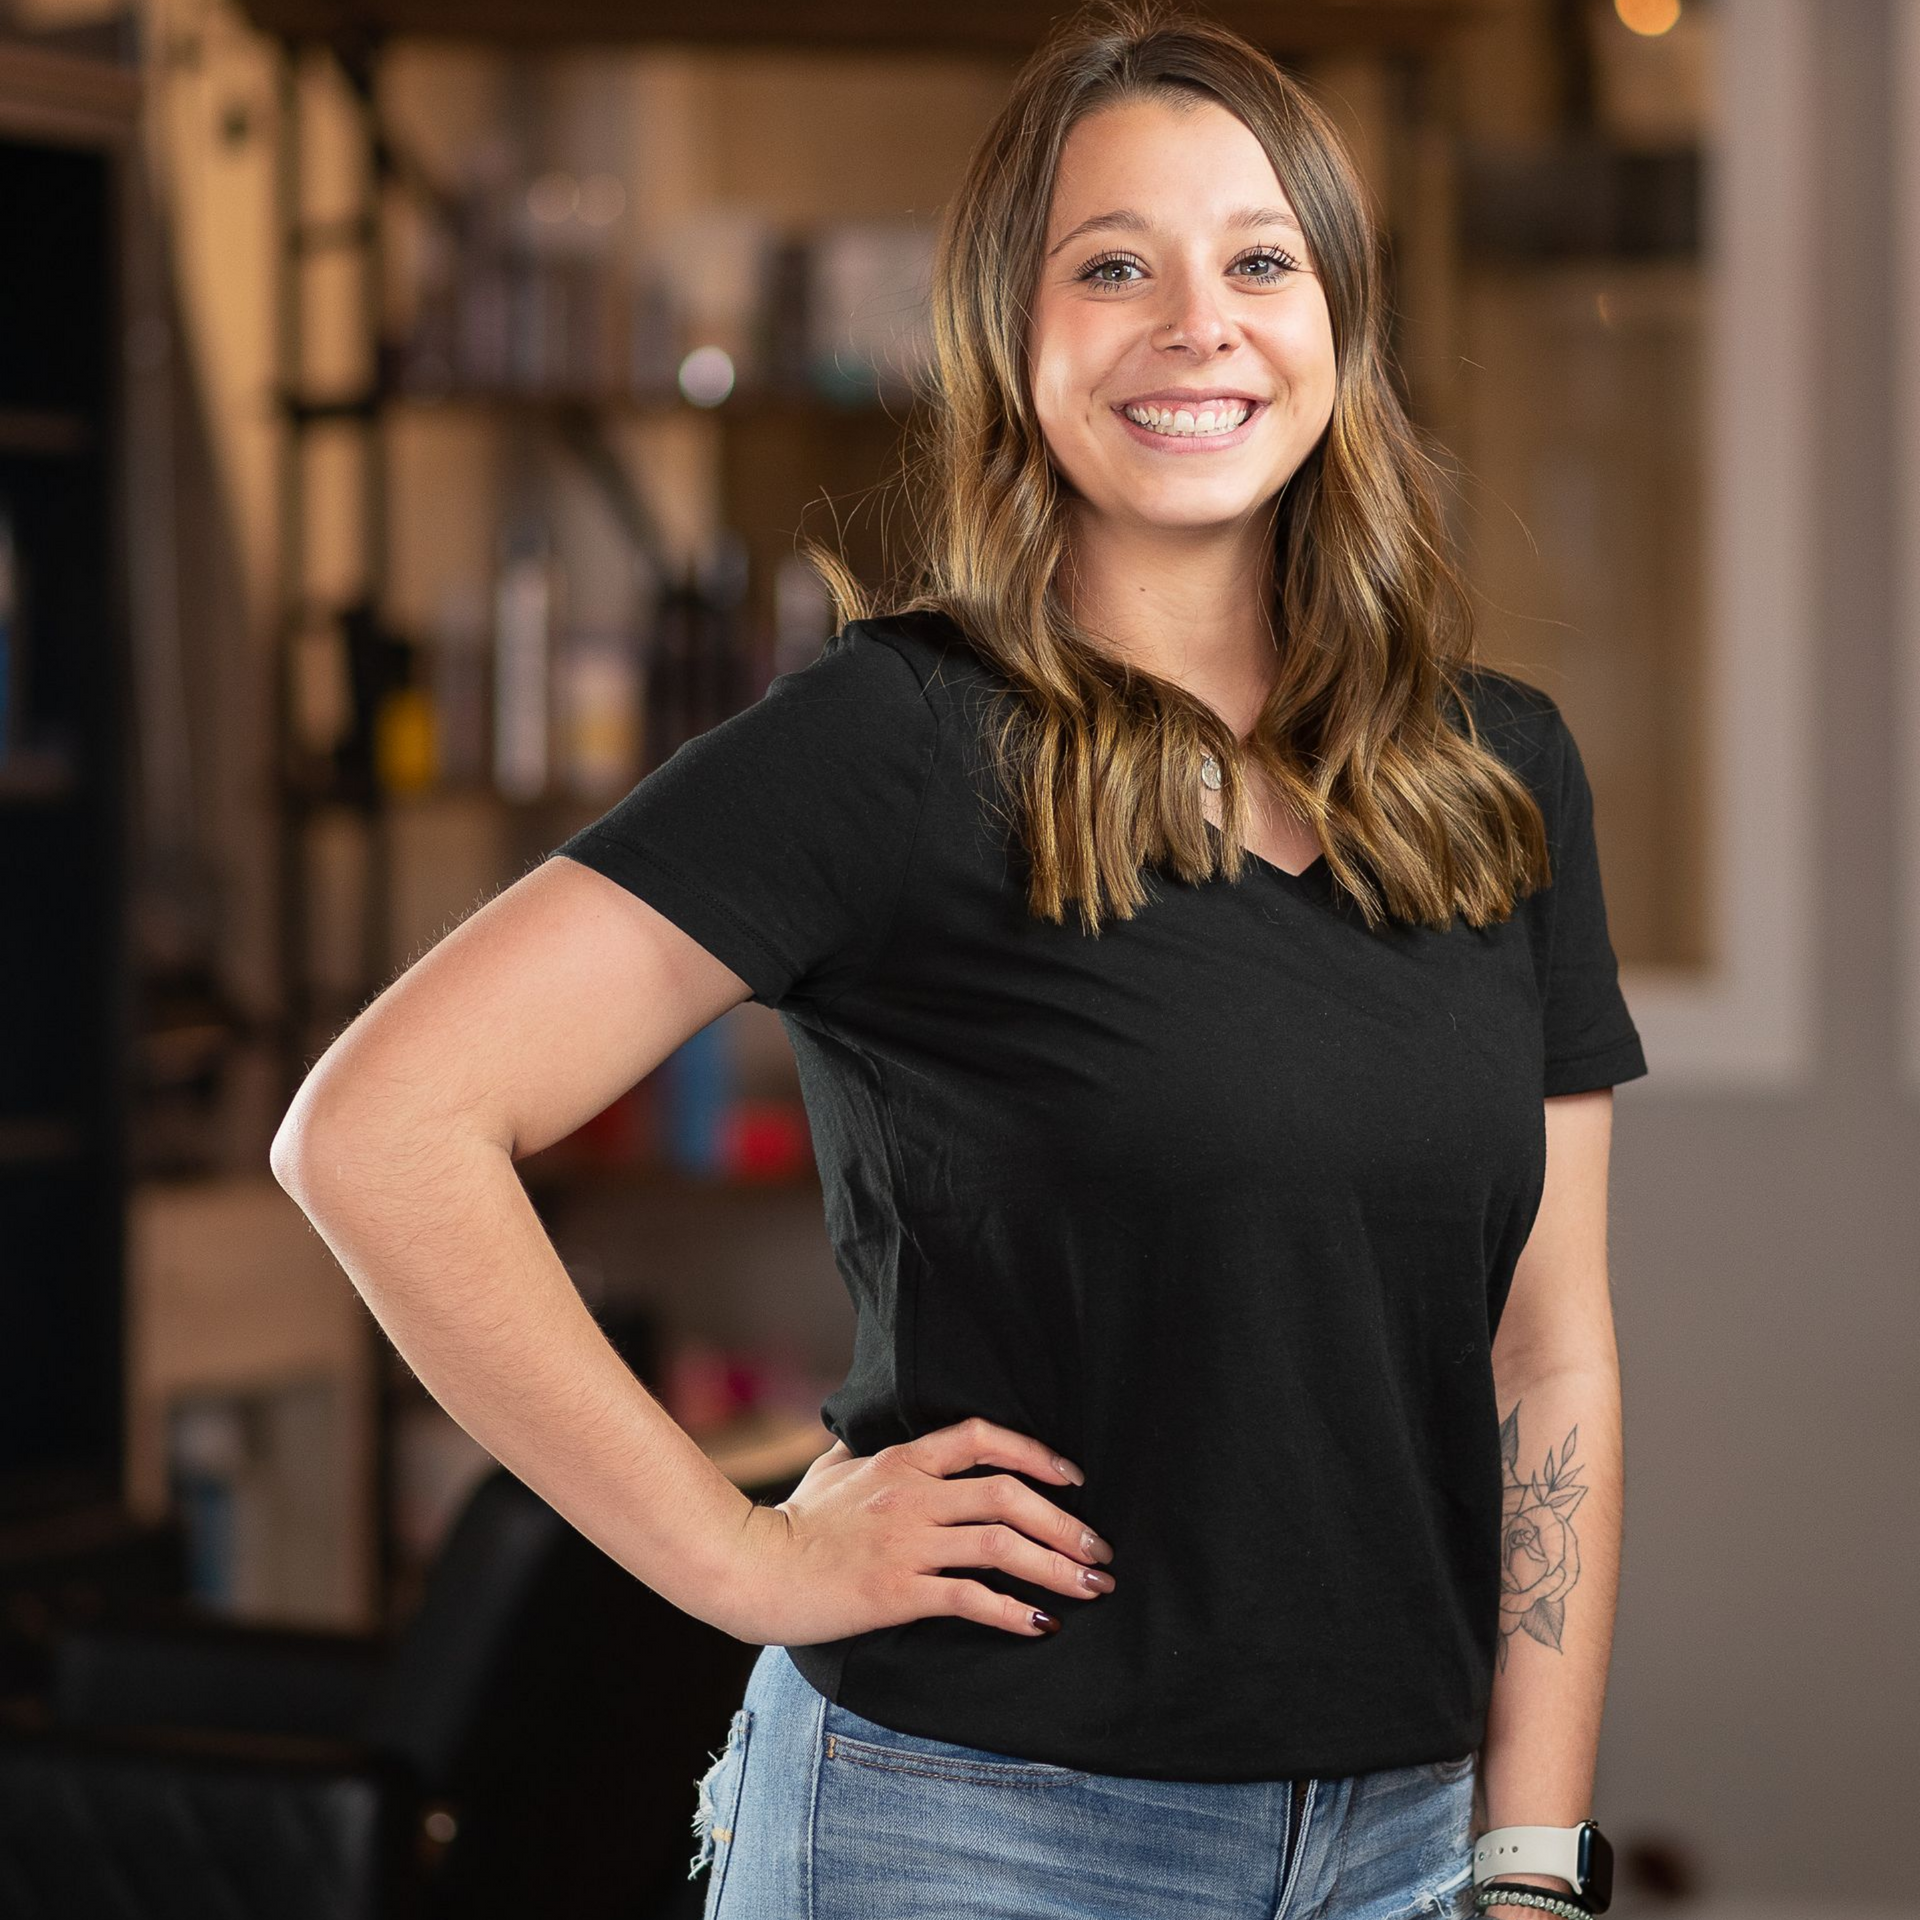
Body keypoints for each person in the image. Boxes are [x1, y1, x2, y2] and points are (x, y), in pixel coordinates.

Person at [272, 4, 1647, 1916]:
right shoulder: (898, 739)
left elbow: (1548, 1352)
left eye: (1260, 259)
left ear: (1339, 316)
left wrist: (1523, 1857)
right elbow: (378, 1131)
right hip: (974, 1834)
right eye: (1113, 267)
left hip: (1410, 1846)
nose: (1198, 323)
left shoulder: (1497, 772)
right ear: (1013, 337)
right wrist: (744, 1561)